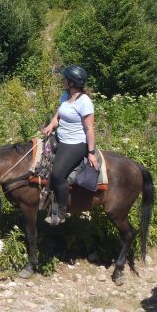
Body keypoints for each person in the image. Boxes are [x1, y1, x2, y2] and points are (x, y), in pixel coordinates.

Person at [41, 65, 98, 226]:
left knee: (58, 174)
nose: (63, 80)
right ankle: (43, 200)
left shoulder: (84, 102)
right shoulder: (66, 96)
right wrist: (51, 126)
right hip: (60, 137)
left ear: (72, 82)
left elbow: (89, 128)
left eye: (66, 78)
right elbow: (57, 116)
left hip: (75, 143)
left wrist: (91, 152)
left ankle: (61, 212)